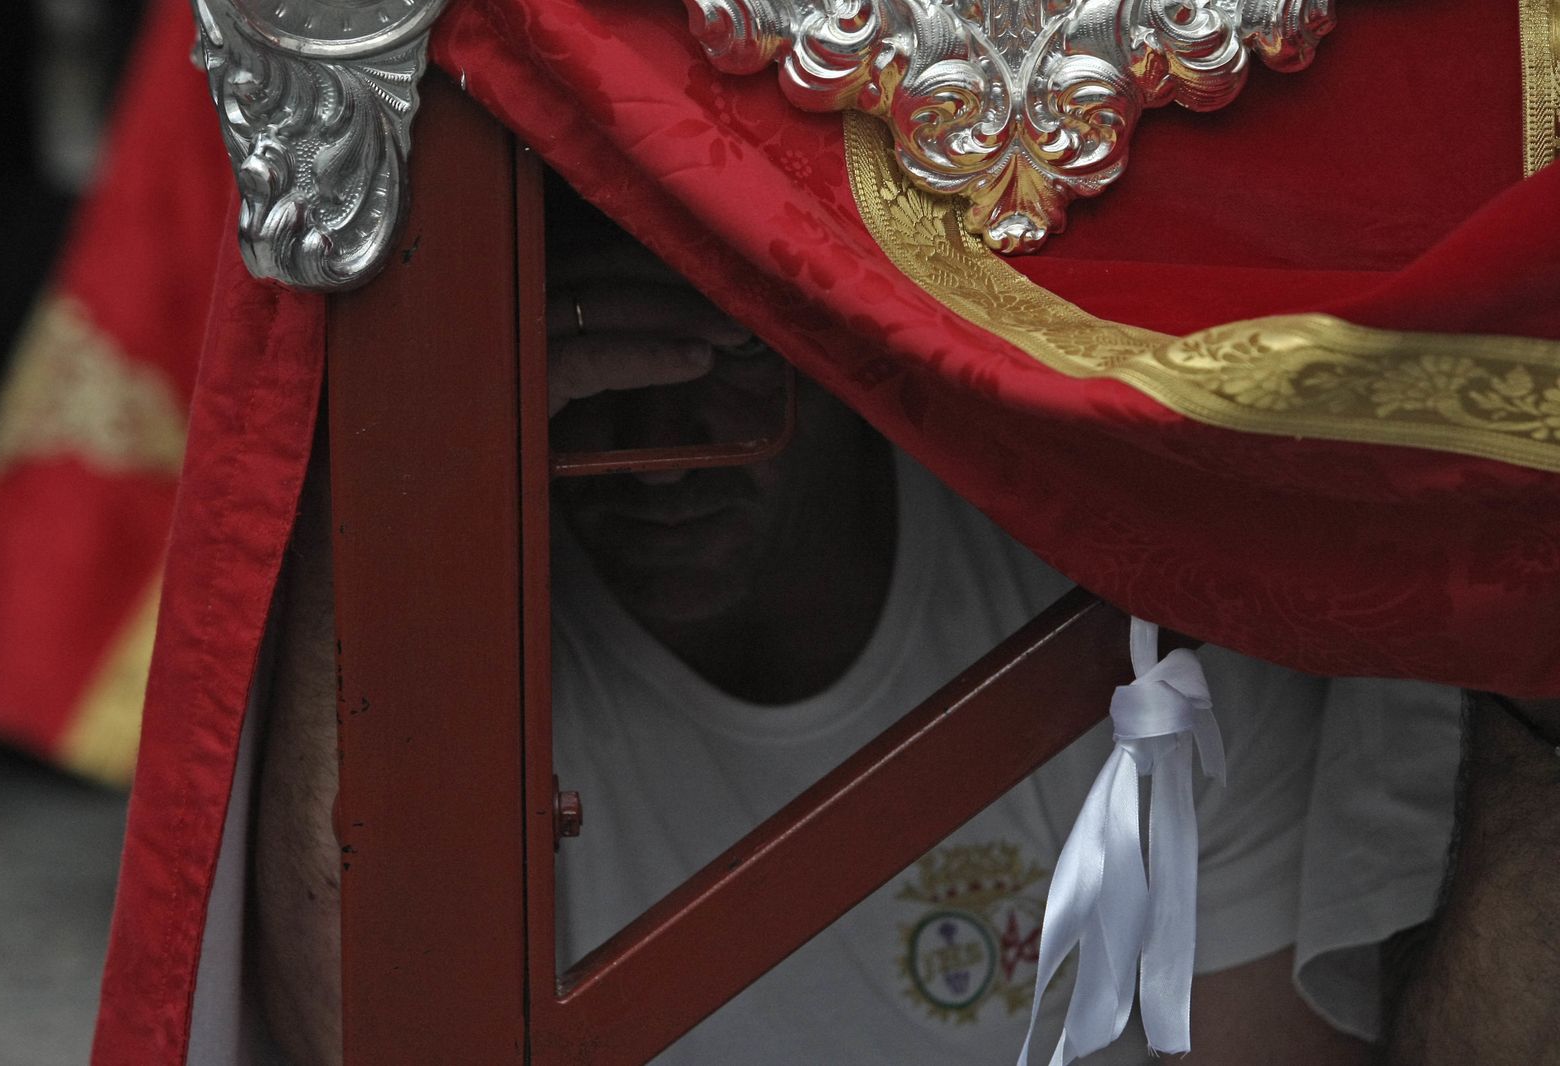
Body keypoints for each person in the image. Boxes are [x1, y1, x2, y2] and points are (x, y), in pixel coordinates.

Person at [252, 185, 1471, 1066]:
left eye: (714, 366)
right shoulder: (468, 622)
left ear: (839, 353)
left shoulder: (1124, 621)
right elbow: (353, 1036)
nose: (655, 461)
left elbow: (1263, 1039)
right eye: (590, 393)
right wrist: (394, 469)